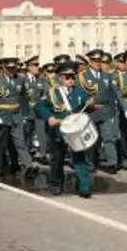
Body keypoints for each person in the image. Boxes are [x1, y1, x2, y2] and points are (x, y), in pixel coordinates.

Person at [39, 61, 94, 197]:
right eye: (67, 77)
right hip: (58, 131)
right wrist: (50, 118)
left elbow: (87, 107)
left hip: (75, 132)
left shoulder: (80, 91)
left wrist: (91, 103)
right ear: (61, 78)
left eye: (72, 77)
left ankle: (84, 187)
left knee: (80, 158)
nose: (70, 80)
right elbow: (39, 106)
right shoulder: (53, 93)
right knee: (57, 159)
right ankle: (56, 184)